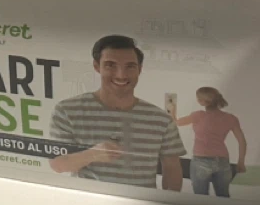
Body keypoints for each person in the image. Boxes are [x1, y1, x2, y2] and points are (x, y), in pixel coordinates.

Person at [49, 35, 184, 190]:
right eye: (110, 65)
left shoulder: (161, 120)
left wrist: (166, 204)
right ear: (96, 66)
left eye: (130, 66)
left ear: (140, 69)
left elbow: (172, 169)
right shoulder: (67, 111)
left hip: (141, 204)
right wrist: (93, 154)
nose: (121, 75)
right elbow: (57, 164)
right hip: (88, 203)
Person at [173, 87, 245, 198]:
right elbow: (242, 141)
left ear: (202, 102)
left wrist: (172, 109)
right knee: (223, 197)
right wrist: (241, 162)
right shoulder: (231, 118)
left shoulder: (197, 115)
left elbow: (176, 123)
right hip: (222, 161)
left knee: (200, 198)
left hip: (200, 160)